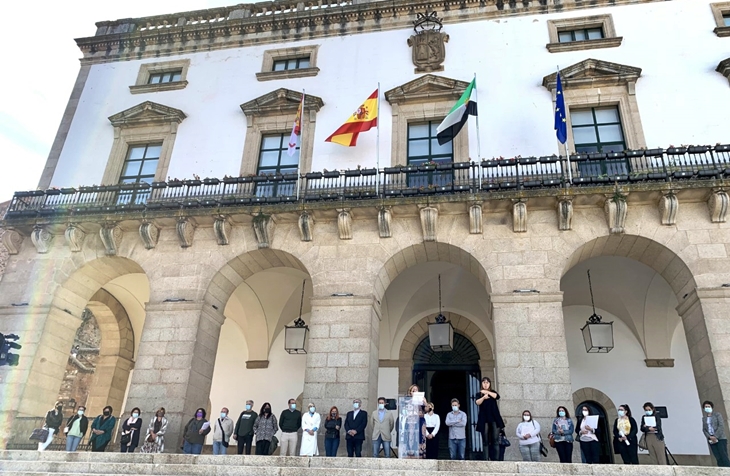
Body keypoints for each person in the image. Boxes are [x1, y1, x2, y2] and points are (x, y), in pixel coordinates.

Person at [475, 377, 504, 461]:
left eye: (487, 382)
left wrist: (487, 392)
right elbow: (477, 402)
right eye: (484, 382)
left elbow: (497, 396)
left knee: (495, 440)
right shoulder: (479, 394)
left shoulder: (492, 392)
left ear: (490, 384)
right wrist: (484, 397)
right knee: (485, 441)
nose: (485, 384)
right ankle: (486, 459)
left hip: (494, 418)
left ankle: (496, 459)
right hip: (484, 419)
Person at [703, 400, 730, 467]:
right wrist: (709, 437)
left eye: (708, 406)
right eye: (705, 407)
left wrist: (715, 436)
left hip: (720, 438)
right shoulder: (704, 418)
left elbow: (721, 426)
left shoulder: (717, 415)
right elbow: (704, 429)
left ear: (711, 407)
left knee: (723, 455)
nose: (707, 408)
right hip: (711, 439)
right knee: (718, 457)